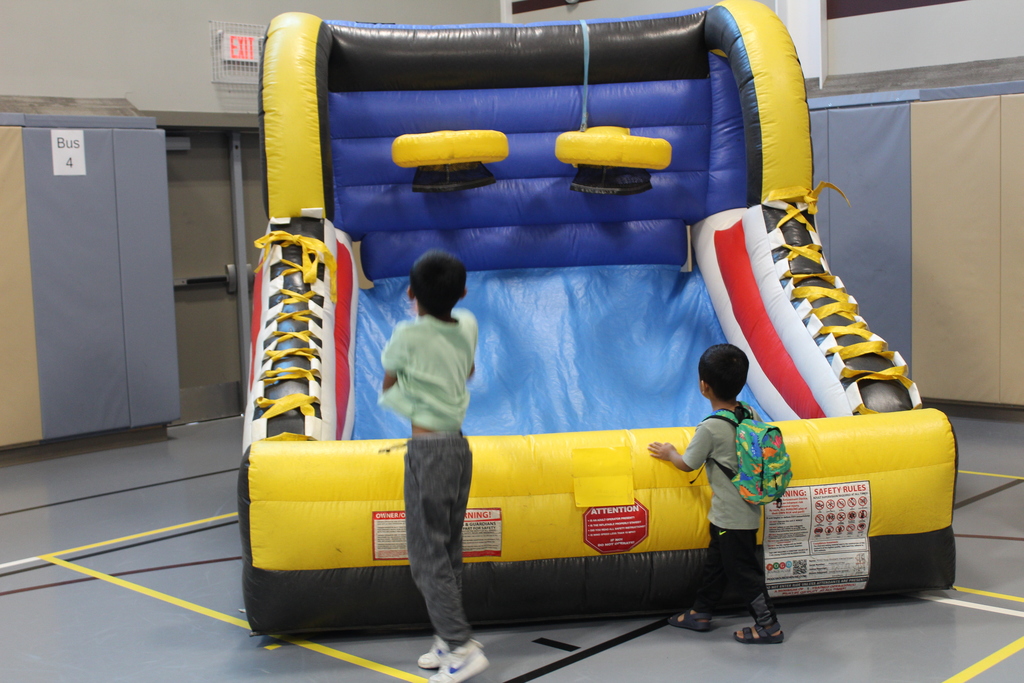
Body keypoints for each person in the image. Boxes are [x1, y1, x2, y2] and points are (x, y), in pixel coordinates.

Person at [379, 250, 488, 682]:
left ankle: (460, 647)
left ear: (410, 293)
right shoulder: (470, 324)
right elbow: (469, 369)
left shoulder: (406, 334)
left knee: (426, 555)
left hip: (428, 451)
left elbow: (389, 382)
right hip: (459, 449)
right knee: (448, 548)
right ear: (462, 293)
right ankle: (448, 636)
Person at [647, 344, 784, 644]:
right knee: (717, 564)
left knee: (745, 575)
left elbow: (688, 464)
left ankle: (768, 625)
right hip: (742, 512)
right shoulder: (748, 412)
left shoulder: (709, 428)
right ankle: (701, 611)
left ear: (703, 386)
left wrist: (670, 452)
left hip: (732, 520)